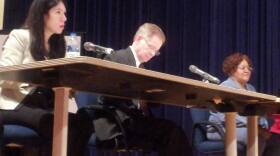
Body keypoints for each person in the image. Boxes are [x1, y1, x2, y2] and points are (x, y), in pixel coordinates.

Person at [0, 0, 92, 155]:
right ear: (43, 14)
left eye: (65, 13)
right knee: (58, 125)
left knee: (84, 123)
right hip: (14, 103)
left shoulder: (57, 45)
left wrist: (71, 84)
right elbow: (3, 77)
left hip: (41, 104)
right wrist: (35, 77)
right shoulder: (20, 36)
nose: (64, 18)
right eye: (58, 12)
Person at [91, 23, 190, 156]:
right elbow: (106, 95)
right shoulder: (117, 58)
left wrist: (160, 93)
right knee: (171, 133)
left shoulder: (141, 68)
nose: (153, 54)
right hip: (120, 122)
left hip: (136, 121)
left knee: (174, 134)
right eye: (151, 47)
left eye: (156, 51)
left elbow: (143, 100)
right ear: (138, 39)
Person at [207, 52, 269, 155]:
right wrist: (254, 126)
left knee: (272, 137)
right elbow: (224, 116)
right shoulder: (224, 87)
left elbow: (258, 110)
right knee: (256, 134)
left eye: (249, 68)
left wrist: (262, 123)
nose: (247, 70)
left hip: (246, 127)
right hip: (220, 129)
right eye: (243, 68)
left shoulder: (251, 88)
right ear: (232, 69)